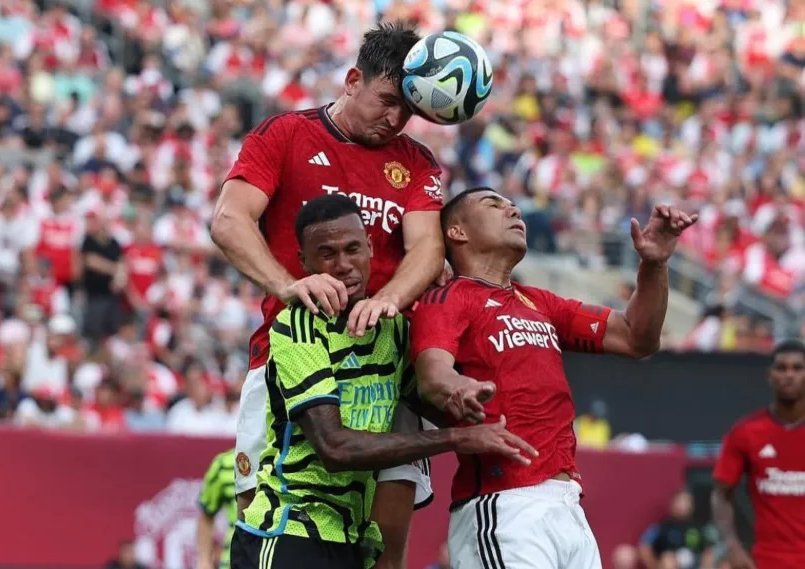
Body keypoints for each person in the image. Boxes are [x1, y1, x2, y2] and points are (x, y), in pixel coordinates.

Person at [211, 21, 446, 569]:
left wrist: (389, 299)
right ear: (352, 79)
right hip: (289, 360)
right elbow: (228, 220)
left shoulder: (416, 162)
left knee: (384, 552)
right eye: (387, 101)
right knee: (261, 522)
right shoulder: (285, 135)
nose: (395, 119)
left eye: (407, 110)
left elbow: (427, 251)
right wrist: (288, 285)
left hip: (385, 375)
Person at [231, 195, 532, 569]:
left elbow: (434, 402)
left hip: (351, 539)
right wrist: (459, 438)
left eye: (353, 249)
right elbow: (335, 447)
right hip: (288, 532)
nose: (343, 265)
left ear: (371, 248)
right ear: (304, 262)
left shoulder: (393, 329)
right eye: (326, 254)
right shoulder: (297, 326)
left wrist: (464, 397)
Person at [409, 187, 698, 569]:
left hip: (568, 508)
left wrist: (655, 265)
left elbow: (636, 338)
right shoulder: (450, 298)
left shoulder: (540, 302)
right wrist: (456, 386)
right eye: (493, 204)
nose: (512, 209)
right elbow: (433, 373)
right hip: (505, 505)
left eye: (512, 204)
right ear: (457, 232)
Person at [711, 340, 805, 569]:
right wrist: (731, 546)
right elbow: (721, 494)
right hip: (766, 561)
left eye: (797, 368)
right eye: (781, 368)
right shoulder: (746, 432)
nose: (789, 375)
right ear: (769, 375)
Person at [196, 450, 237, 569]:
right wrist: (204, 561)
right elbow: (206, 515)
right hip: (231, 560)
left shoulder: (286, 459)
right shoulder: (224, 464)